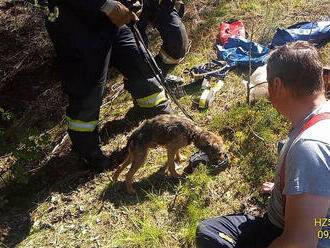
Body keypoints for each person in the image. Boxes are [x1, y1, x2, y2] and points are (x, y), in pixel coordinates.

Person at [195, 41, 330, 248]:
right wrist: (289, 191)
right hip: (317, 221)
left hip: (287, 231)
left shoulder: (309, 146)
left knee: (210, 233)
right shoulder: (322, 121)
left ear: (276, 85)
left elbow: (300, 242)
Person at [45, 0, 173, 172]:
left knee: (139, 64)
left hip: (112, 21)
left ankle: (163, 120)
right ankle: (86, 150)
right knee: (88, 90)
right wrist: (103, 4)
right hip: (75, 26)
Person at [137, 0, 188, 77]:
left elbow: (139, 34)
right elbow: (180, 11)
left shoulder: (143, 6)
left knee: (149, 73)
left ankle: (156, 79)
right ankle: (158, 77)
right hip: (179, 44)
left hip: (175, 48)